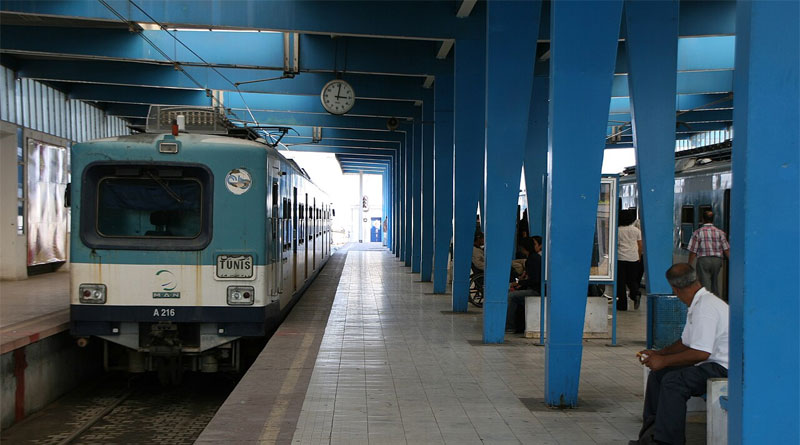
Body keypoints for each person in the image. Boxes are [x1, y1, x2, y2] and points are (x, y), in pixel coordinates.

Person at [629, 263, 729, 445]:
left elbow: (701, 353)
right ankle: (650, 437)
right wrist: (659, 354)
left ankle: (668, 442)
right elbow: (685, 343)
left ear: (674, 288)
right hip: (710, 362)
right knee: (658, 376)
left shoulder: (706, 308)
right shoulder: (698, 303)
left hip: (723, 367)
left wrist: (664, 361)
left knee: (673, 382)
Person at [686, 210, 730, 297]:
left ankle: (707, 301)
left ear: (702, 219)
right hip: (717, 261)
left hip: (703, 260)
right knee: (715, 283)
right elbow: (726, 249)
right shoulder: (720, 232)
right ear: (713, 220)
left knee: (705, 284)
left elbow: (693, 251)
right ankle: (716, 300)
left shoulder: (698, 232)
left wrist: (689, 264)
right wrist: (731, 262)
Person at [505, 236, 543, 334]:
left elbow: (534, 280)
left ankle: (509, 326)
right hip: (536, 288)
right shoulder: (534, 258)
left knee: (511, 296)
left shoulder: (532, 259)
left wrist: (519, 283)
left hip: (536, 290)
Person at [617, 209, 643, 310]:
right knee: (632, 280)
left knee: (621, 282)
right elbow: (640, 245)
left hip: (620, 258)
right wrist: (639, 257)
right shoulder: (636, 230)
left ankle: (622, 305)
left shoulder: (617, 231)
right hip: (633, 258)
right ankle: (635, 294)